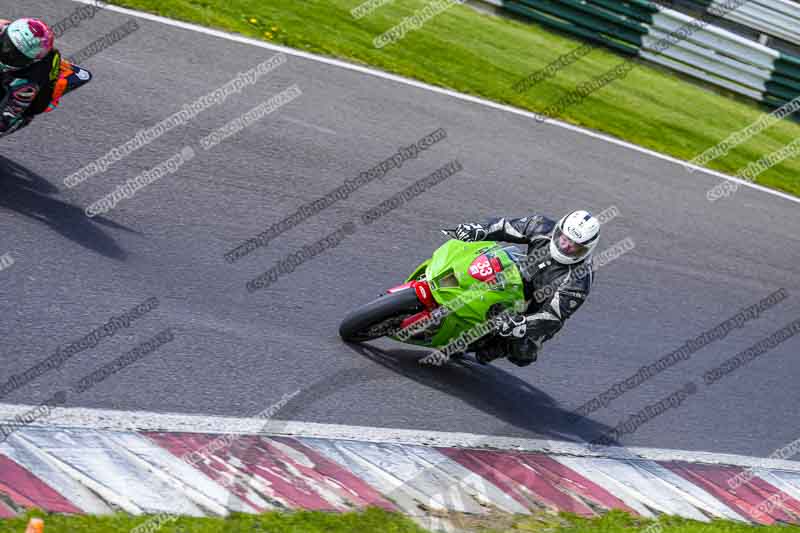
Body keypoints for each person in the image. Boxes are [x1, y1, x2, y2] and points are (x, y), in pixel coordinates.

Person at [452, 210, 600, 367]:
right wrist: (480, 229)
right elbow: (504, 227)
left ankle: (501, 347)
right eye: (564, 238)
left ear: (587, 249)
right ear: (558, 230)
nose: (566, 246)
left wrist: (521, 324)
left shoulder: (580, 278)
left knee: (523, 351)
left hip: (537, 309)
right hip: (517, 277)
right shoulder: (541, 227)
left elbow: (553, 317)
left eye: (575, 246)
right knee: (480, 267)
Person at [0, 18, 56, 136]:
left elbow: (8, 117)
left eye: (16, 56)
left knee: (35, 107)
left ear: (31, 61)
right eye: (6, 45)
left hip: (32, 82)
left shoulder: (30, 80)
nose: (7, 54)